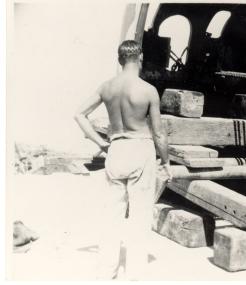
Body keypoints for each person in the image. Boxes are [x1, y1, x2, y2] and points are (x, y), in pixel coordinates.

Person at [74, 40, 172, 280]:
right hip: (140, 149)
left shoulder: (107, 87)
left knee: (112, 213)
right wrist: (167, 161)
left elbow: (79, 114)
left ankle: (106, 270)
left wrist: (101, 143)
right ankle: (135, 274)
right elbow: (158, 133)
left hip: (116, 150)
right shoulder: (148, 90)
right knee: (140, 214)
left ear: (119, 60)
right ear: (140, 59)